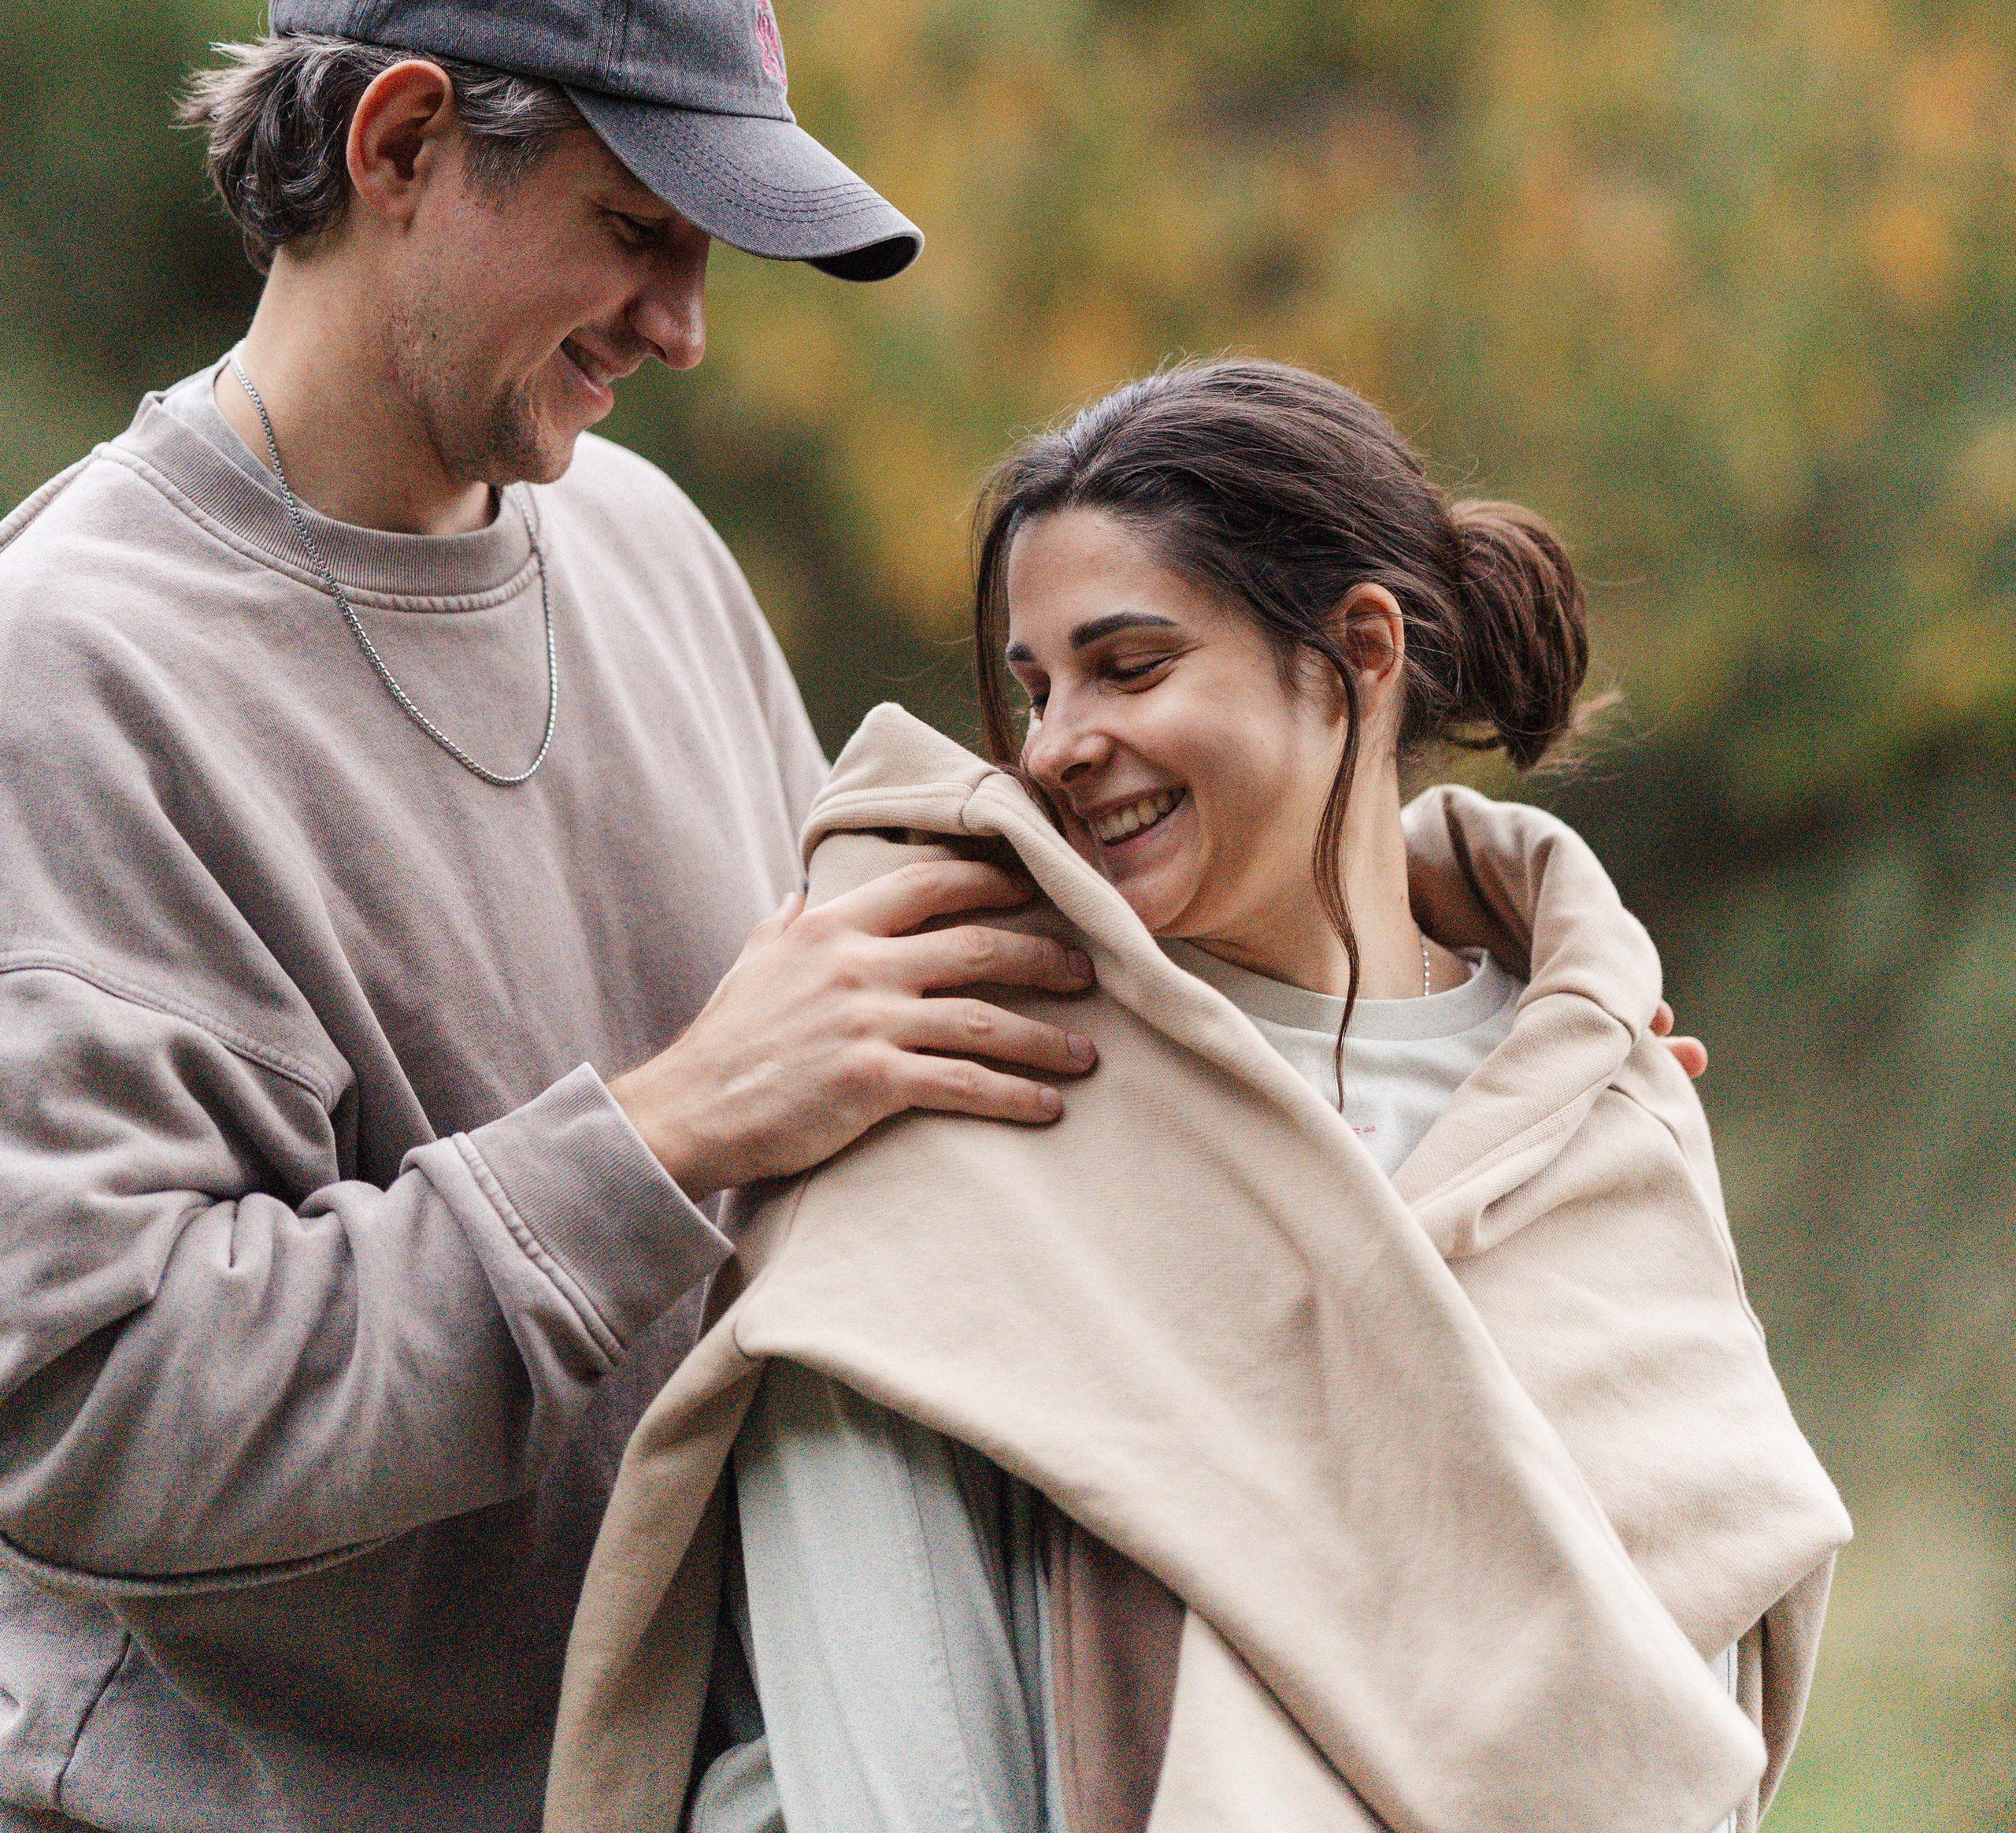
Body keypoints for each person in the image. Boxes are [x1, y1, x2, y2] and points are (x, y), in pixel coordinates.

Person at [0, 0, 1102, 1833]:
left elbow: (875, 1090)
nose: (685, 325)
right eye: (637, 229)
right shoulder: (71, 676)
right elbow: (92, 1412)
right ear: (402, 145)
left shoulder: (643, 545)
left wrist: (1421, 1057)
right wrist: (666, 1135)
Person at [547, 361, 1850, 1833]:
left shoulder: (1599, 1110)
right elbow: (886, 1760)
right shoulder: (962, 1098)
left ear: (1357, 653)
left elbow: (1696, 1692)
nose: (1052, 746)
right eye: (1037, 687)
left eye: (1132, 665)